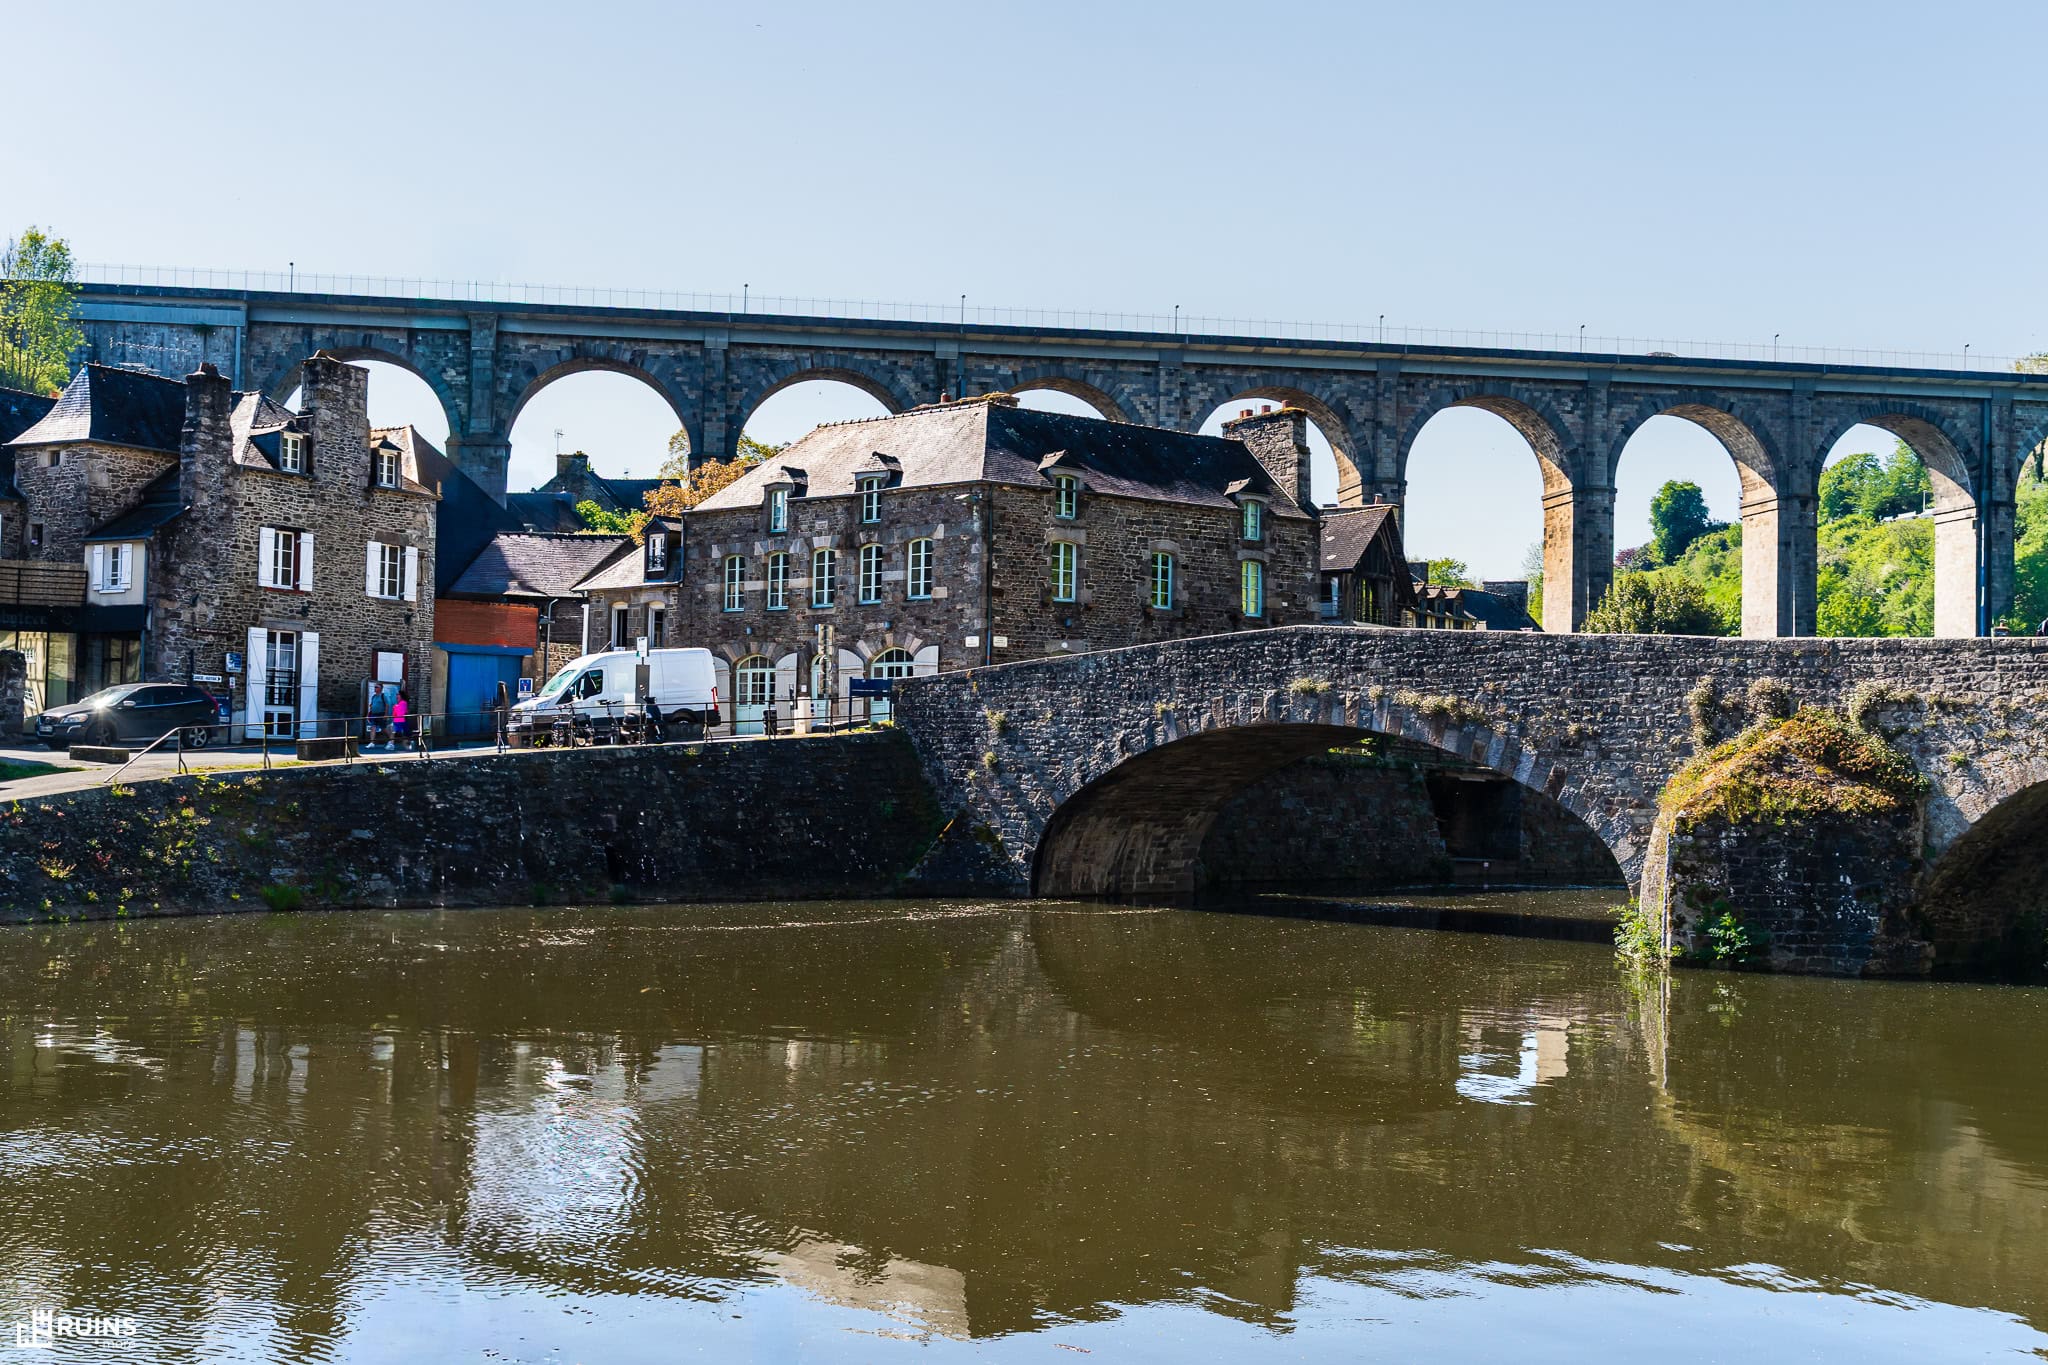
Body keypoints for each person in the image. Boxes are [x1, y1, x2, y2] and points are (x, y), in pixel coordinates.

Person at [365, 686, 390, 751]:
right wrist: (369, 713)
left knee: (383, 729)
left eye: (376, 687)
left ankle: (391, 740)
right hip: (374, 714)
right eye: (375, 687)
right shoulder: (374, 696)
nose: (375, 688)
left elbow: (387, 705)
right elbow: (371, 705)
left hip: (381, 714)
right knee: (373, 727)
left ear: (380, 689)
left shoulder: (383, 696)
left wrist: (386, 715)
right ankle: (372, 742)